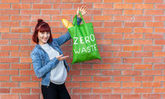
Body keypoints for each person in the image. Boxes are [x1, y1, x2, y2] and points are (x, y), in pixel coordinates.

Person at [30, 5, 87, 99]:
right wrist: (55, 60)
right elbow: (38, 73)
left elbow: (69, 35)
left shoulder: (54, 43)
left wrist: (78, 18)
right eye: (42, 33)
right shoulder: (36, 52)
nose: (45, 36)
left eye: (47, 33)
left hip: (61, 85)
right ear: (37, 34)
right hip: (49, 87)